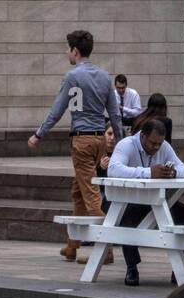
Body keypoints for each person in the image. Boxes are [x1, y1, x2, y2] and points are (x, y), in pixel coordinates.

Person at [28, 30, 122, 262]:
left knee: (91, 196)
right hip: (100, 138)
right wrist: (119, 137)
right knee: (78, 191)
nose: (66, 52)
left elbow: (58, 109)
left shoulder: (72, 76)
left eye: (68, 49)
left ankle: (106, 250)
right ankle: (72, 245)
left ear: (75, 51)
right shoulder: (103, 76)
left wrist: (39, 134)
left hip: (81, 140)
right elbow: (114, 112)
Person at [108, 118, 184, 287]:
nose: (156, 148)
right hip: (129, 200)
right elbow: (113, 169)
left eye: (159, 144)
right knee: (128, 219)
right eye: (152, 143)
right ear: (142, 136)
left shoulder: (163, 146)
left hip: (156, 200)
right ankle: (132, 267)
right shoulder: (126, 145)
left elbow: (183, 167)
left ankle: (181, 268)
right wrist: (148, 172)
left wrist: (173, 173)